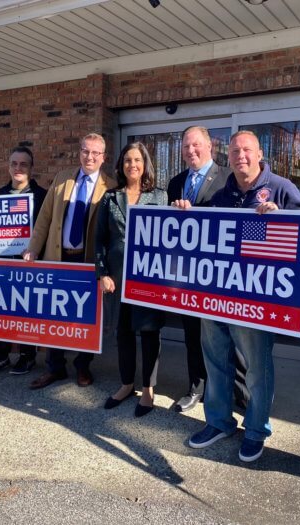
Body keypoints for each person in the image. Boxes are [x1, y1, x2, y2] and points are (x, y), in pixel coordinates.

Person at [179, 130, 300, 462]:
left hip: (257, 303)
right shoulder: (223, 195)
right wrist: (183, 216)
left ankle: (255, 431)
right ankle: (219, 421)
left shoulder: (281, 188)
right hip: (218, 296)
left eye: (247, 150)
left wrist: (284, 219)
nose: (241, 156)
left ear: (260, 153)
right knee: (216, 362)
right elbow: (205, 236)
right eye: (235, 151)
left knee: (256, 369)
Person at [24, 133, 116, 389]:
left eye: (96, 153)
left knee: (84, 317)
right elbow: (44, 219)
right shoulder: (62, 178)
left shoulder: (111, 185)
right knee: (55, 316)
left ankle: (82, 367)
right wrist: (33, 248)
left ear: (103, 157)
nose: (90, 157)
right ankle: (55, 368)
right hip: (58, 258)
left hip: (87, 262)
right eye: (86, 151)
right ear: (80, 153)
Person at [95, 142, 168, 418]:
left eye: (137, 160)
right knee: (123, 333)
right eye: (127, 160)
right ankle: (127, 384)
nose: (132, 165)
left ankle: (149, 390)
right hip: (117, 279)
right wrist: (102, 273)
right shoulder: (110, 198)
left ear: (145, 164)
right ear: (121, 165)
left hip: (149, 279)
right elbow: (100, 239)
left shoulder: (160, 197)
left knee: (150, 334)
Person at [166, 126, 227, 412]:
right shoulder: (175, 182)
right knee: (192, 333)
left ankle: (225, 389)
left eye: (196, 145)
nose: (191, 151)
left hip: (218, 274)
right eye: (186, 147)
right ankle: (196, 387)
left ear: (210, 146)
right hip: (186, 274)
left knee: (222, 337)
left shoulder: (227, 178)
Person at [0, 146, 47, 375]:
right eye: (14, 164)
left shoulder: (42, 196)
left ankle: (28, 356)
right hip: (3, 264)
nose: (18, 168)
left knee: (27, 311)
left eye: (23, 164)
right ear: (8, 166)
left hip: (29, 264)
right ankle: (1, 357)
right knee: (3, 311)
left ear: (31, 168)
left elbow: (46, 230)